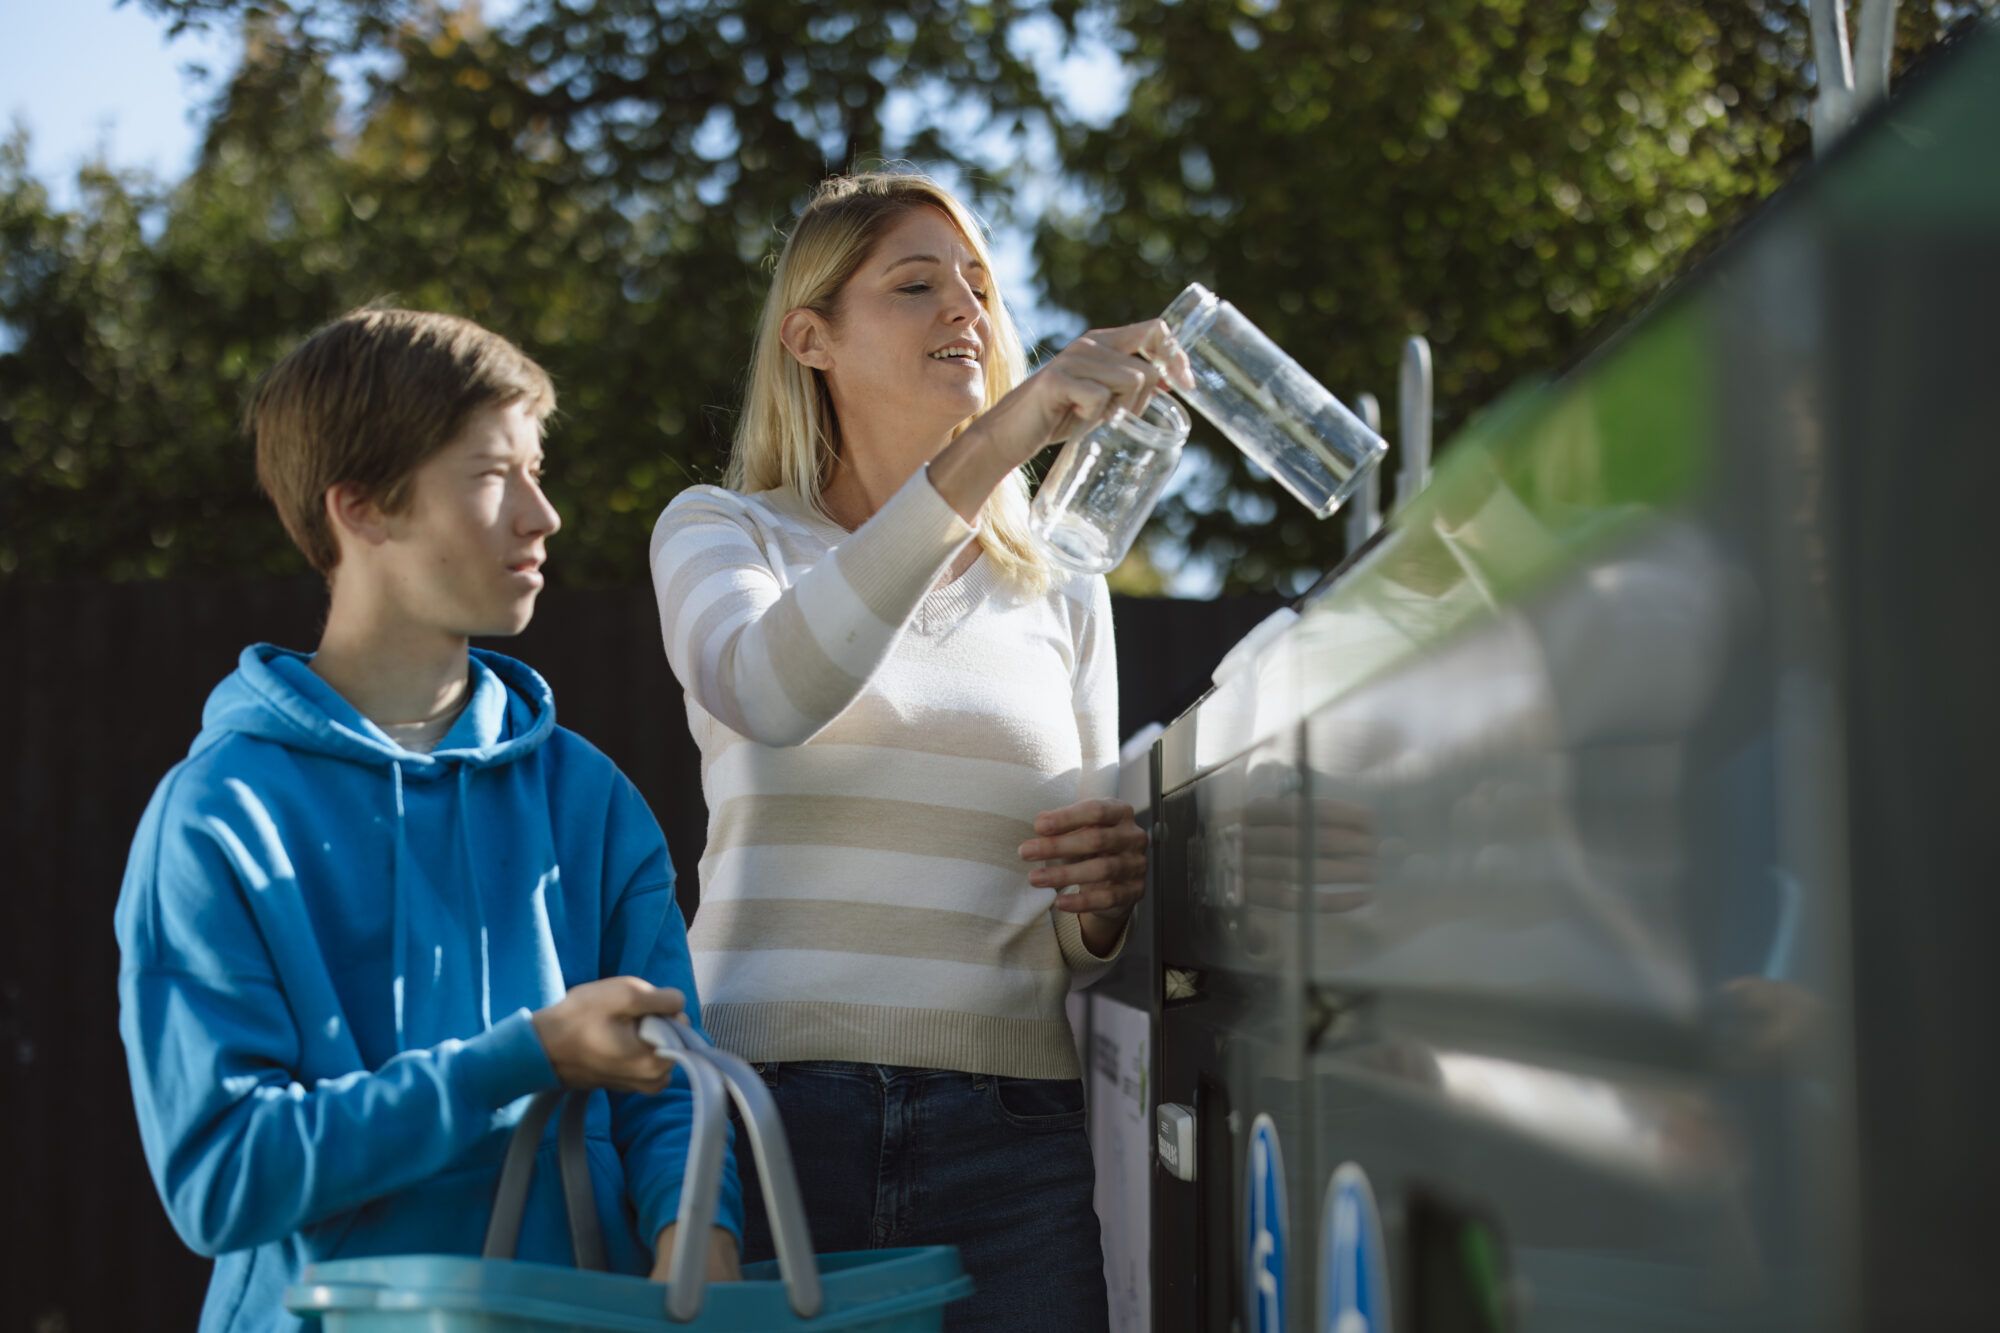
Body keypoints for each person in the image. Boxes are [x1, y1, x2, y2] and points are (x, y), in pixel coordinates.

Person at [115, 308, 741, 1333]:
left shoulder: (587, 799)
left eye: (537, 471)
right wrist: (520, 1057)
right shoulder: (217, 817)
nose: (543, 515)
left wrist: (694, 1232)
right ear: (361, 507)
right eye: (495, 474)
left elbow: (670, 1082)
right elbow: (224, 1180)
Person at [648, 171, 1191, 1331]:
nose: (967, 310)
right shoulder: (720, 529)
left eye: (981, 287)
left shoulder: (1058, 582)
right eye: (914, 284)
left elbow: (1076, 932)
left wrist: (1101, 901)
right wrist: (1001, 442)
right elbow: (768, 687)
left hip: (1013, 1141)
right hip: (766, 1124)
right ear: (810, 339)